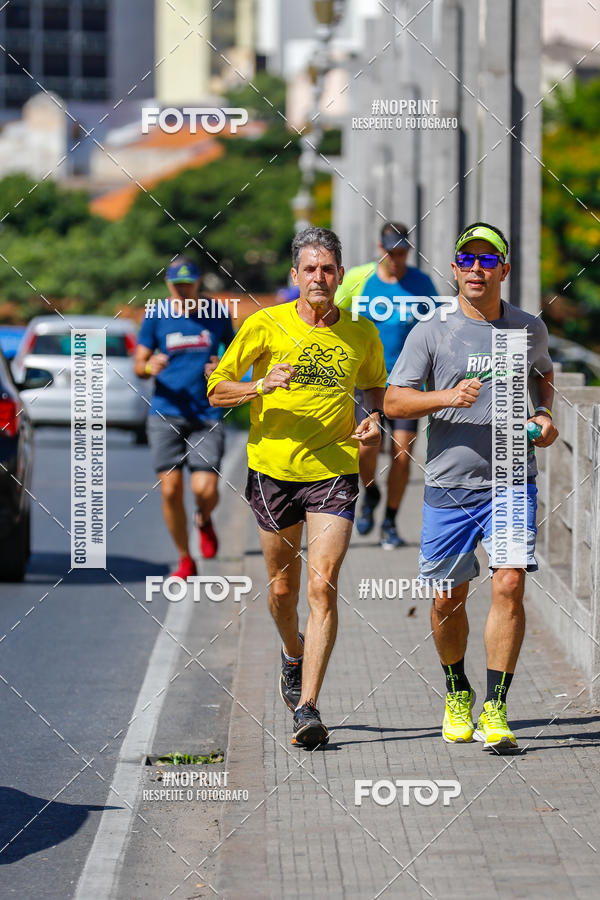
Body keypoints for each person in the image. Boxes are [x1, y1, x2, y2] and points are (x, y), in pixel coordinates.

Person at [207, 227, 387, 749]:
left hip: (334, 470)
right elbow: (217, 389)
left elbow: (374, 386)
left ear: (339, 274)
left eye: (328, 269)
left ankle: (307, 709)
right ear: (294, 275)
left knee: (322, 584)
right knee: (283, 591)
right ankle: (292, 652)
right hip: (272, 471)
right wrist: (260, 385)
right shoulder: (265, 325)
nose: (319, 278)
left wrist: (372, 416)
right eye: (309, 269)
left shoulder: (359, 331)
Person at [384, 222, 559, 752]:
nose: (476, 269)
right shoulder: (432, 330)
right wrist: (446, 398)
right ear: (455, 269)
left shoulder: (527, 329)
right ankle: (456, 689)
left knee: (509, 584)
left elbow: (544, 374)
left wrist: (546, 415)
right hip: (449, 485)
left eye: (488, 260)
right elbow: (394, 402)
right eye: (467, 260)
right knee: (447, 599)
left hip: (510, 477)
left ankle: (496, 706)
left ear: (504, 269)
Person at [335, 222, 437, 548]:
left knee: (403, 455)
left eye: (403, 253)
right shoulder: (358, 280)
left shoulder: (422, 283)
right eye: (392, 252)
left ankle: (390, 520)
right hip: (366, 382)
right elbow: (333, 320)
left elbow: (437, 328)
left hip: (407, 384)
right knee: (366, 448)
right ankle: (371, 492)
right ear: (381, 249)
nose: (397, 259)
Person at [135, 255, 234, 577]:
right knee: (170, 490)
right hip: (166, 412)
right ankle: (184, 558)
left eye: (187, 285)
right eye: (176, 286)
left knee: (204, 490)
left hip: (207, 411)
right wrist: (150, 367)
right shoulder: (156, 315)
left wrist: (223, 366)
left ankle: (204, 519)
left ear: (197, 282)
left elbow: (235, 353)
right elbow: (139, 364)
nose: (182, 291)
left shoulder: (216, 313)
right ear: (168, 284)